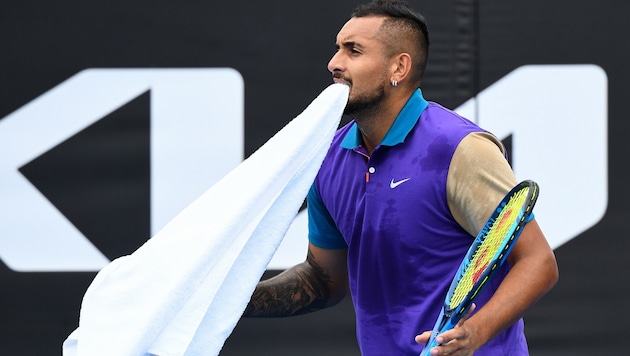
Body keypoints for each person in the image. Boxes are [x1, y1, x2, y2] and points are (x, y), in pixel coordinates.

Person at [242, 0, 559, 354]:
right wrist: (228, 305)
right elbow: (322, 280)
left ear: (399, 67)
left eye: (354, 51)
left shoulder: (460, 150)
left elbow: (537, 262)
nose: (334, 63)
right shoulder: (328, 158)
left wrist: (476, 332)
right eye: (337, 49)